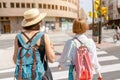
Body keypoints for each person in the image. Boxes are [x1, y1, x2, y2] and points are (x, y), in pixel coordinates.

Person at [13, 8, 55, 80]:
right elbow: (52, 59)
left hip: (25, 76)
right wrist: (52, 48)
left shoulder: (18, 37)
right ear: (39, 22)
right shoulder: (44, 36)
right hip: (41, 75)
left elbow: (15, 60)